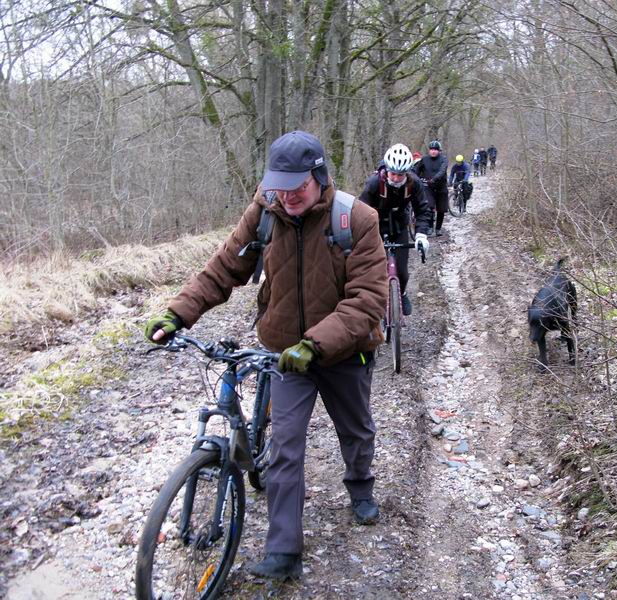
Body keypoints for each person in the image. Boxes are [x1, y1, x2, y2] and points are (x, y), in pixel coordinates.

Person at [143, 130, 388, 583]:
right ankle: (284, 551)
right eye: (280, 186)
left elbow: (367, 300)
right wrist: (178, 313)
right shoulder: (265, 211)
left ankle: (359, 486)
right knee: (285, 448)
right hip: (284, 355)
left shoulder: (356, 219)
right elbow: (223, 268)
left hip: (343, 351)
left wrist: (314, 344)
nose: (288, 197)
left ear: (319, 177)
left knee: (355, 430)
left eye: (298, 188)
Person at [359, 143, 431, 316]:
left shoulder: (414, 183)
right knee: (372, 271)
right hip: (375, 228)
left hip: (399, 227)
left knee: (403, 271)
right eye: (393, 174)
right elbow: (359, 211)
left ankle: (402, 292)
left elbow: (423, 210)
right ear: (387, 170)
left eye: (400, 175)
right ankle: (372, 303)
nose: (397, 178)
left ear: (406, 172)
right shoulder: (374, 183)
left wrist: (421, 235)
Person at [414, 140, 449, 235]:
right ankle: (430, 227)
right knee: (429, 207)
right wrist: (416, 179)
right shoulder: (424, 159)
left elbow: (442, 171)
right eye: (432, 149)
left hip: (441, 187)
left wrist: (434, 179)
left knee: (441, 209)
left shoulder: (443, 159)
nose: (433, 151)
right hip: (428, 188)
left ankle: (438, 229)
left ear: (439, 151)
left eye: (435, 150)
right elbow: (417, 170)